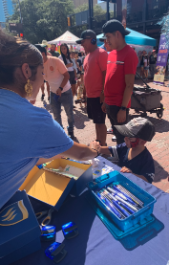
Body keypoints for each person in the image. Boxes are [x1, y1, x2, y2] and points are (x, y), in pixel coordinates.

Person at [0, 30, 99, 209]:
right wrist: (95, 148)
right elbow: (82, 154)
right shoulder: (32, 119)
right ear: (26, 71)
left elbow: (20, 156)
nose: (43, 78)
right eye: (41, 72)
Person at [101, 20, 138, 145]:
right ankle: (120, 158)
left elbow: (129, 85)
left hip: (119, 106)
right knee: (117, 134)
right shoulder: (111, 54)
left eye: (108, 37)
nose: (107, 41)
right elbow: (109, 78)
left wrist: (123, 108)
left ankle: (125, 161)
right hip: (110, 104)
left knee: (123, 138)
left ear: (118, 34)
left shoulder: (129, 54)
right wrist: (105, 100)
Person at [90, 117, 155, 183]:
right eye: (125, 135)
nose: (125, 139)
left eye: (129, 137)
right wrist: (97, 148)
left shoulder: (146, 159)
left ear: (142, 142)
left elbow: (147, 180)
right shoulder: (125, 147)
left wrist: (132, 175)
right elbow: (110, 150)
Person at [36, 45, 75, 139]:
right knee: (56, 115)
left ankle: (71, 130)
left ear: (42, 54)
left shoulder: (55, 61)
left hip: (65, 91)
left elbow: (67, 76)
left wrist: (60, 88)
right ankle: (61, 133)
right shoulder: (38, 66)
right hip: (53, 93)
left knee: (69, 113)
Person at [76, 30, 108, 146]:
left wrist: (104, 93)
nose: (82, 44)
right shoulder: (87, 56)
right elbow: (86, 75)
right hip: (90, 96)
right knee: (96, 121)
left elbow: (106, 74)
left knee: (100, 122)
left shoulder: (101, 53)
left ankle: (103, 146)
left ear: (92, 40)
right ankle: (98, 142)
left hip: (98, 95)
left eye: (83, 41)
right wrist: (84, 92)